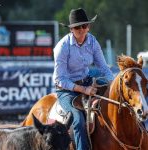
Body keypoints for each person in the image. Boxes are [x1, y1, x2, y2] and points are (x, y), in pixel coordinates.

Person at [53, 8, 114, 150]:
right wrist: (83, 89)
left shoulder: (93, 41)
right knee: (79, 120)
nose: (81, 29)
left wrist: (112, 82)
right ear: (71, 30)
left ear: (88, 27)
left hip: (87, 81)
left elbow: (103, 67)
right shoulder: (62, 47)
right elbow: (59, 79)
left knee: (116, 99)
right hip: (67, 90)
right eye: (77, 27)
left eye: (84, 26)